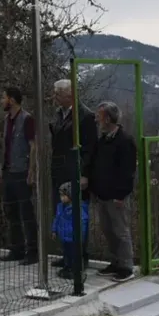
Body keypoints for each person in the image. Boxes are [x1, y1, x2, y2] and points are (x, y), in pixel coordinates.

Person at [87, 100, 137, 283]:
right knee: (108, 230)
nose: (97, 120)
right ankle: (115, 262)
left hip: (116, 196)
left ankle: (126, 266)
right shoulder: (103, 140)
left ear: (108, 118)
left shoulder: (124, 141)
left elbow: (128, 171)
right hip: (102, 194)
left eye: (99, 116)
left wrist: (121, 194)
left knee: (120, 231)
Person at [49, 79, 97, 268]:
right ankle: (67, 254)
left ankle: (79, 259)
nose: (55, 97)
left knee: (76, 216)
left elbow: (90, 148)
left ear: (69, 94)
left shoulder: (85, 116)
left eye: (58, 94)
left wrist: (84, 173)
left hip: (74, 172)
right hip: (59, 170)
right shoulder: (60, 114)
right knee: (61, 213)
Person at [0, 87, 38, 266]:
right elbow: (5, 147)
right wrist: (1, 170)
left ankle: (33, 250)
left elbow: (33, 146)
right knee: (11, 212)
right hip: (8, 171)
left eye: (3, 97)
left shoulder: (27, 119)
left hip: (22, 171)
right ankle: (17, 248)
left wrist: (31, 170)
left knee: (26, 213)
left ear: (12, 100)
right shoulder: (7, 120)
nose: (1, 101)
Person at [51, 181, 89, 280]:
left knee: (74, 255)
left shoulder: (79, 208)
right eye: (61, 195)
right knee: (66, 254)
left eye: (64, 196)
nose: (62, 198)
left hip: (73, 237)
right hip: (64, 237)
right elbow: (57, 218)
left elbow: (83, 223)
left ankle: (75, 270)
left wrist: (80, 235)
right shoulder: (60, 206)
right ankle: (67, 268)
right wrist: (54, 230)